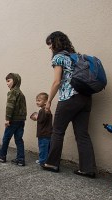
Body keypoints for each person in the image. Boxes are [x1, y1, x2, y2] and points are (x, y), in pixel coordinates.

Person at [42, 31, 97, 178]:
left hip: (69, 98)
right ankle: (88, 169)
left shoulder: (59, 57)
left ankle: (52, 163)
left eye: (50, 45)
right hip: (85, 98)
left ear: (55, 43)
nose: (49, 48)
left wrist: (49, 101)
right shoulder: (76, 57)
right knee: (82, 134)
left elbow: (57, 82)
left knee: (58, 131)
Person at [0, 73, 27, 166]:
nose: (7, 83)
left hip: (13, 120)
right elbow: (24, 108)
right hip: (21, 121)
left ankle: (2, 155)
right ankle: (21, 159)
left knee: (6, 138)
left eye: (9, 81)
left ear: (15, 81)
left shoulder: (12, 92)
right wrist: (23, 118)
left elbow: (10, 106)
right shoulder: (21, 93)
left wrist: (7, 119)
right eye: (6, 81)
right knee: (19, 139)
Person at [30, 92, 53, 166]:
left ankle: (42, 161)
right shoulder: (47, 110)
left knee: (43, 148)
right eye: (36, 100)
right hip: (47, 133)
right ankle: (47, 161)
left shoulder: (42, 110)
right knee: (47, 148)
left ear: (46, 101)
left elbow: (41, 120)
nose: (37, 102)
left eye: (39, 100)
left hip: (43, 134)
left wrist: (37, 117)